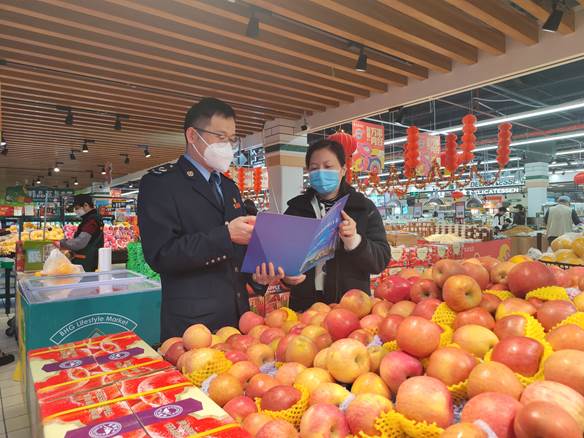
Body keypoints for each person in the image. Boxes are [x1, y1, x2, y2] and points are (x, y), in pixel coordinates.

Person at [138, 98, 286, 341]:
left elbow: (237, 255)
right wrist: (225, 235)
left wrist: (257, 278)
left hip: (238, 320)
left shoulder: (229, 187)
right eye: (220, 137)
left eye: (232, 138)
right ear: (193, 136)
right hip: (192, 327)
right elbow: (161, 255)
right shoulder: (162, 185)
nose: (228, 146)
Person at [283, 139, 391, 311]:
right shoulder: (296, 210)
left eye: (328, 166)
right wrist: (286, 276)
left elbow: (380, 261)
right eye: (314, 168)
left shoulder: (363, 208)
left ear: (342, 170)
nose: (321, 172)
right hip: (304, 306)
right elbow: (284, 256)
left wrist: (354, 241)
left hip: (351, 306)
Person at [59, 194, 104, 272]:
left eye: (77, 208)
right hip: (89, 258)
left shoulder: (91, 221)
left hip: (86, 261)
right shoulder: (93, 219)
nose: (76, 211)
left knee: (85, 282)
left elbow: (80, 242)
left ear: (86, 205)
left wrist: (62, 243)